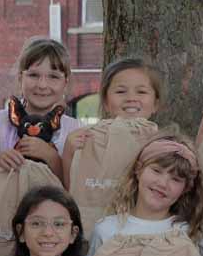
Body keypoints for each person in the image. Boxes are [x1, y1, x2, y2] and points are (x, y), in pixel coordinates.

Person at [0, 37, 82, 185]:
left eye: (53, 77)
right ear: (20, 78)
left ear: (65, 83)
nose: (42, 85)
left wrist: (52, 157)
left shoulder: (75, 131)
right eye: (33, 75)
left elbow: (76, 191)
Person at [61, 56, 161, 189]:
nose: (131, 98)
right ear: (106, 102)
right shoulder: (87, 140)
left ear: (155, 103)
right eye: (121, 91)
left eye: (141, 92)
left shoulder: (162, 145)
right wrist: (69, 151)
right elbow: (73, 190)